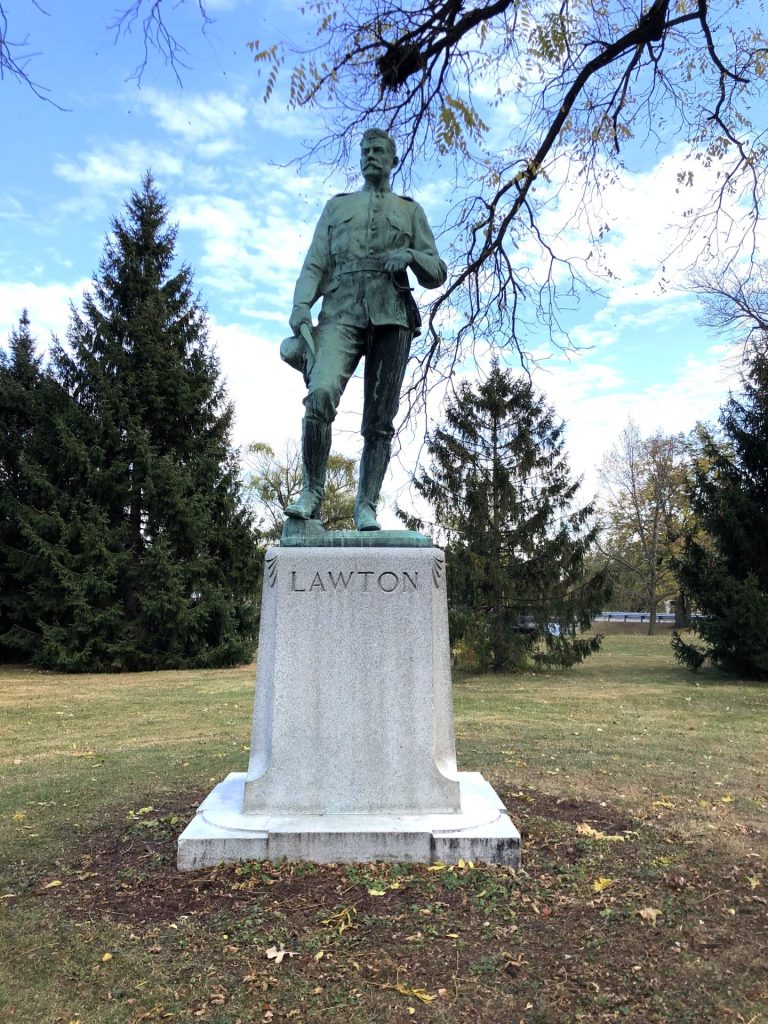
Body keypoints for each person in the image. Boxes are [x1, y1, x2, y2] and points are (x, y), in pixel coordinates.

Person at [283, 128, 447, 531]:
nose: (371, 156)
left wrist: (410, 254)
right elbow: (315, 263)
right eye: (366, 151)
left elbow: (437, 271)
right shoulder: (337, 208)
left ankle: (366, 506)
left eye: (379, 151)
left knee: (379, 419)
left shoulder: (410, 211)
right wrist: (301, 305)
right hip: (340, 311)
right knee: (319, 393)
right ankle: (312, 492)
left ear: (393, 160)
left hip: (391, 316)